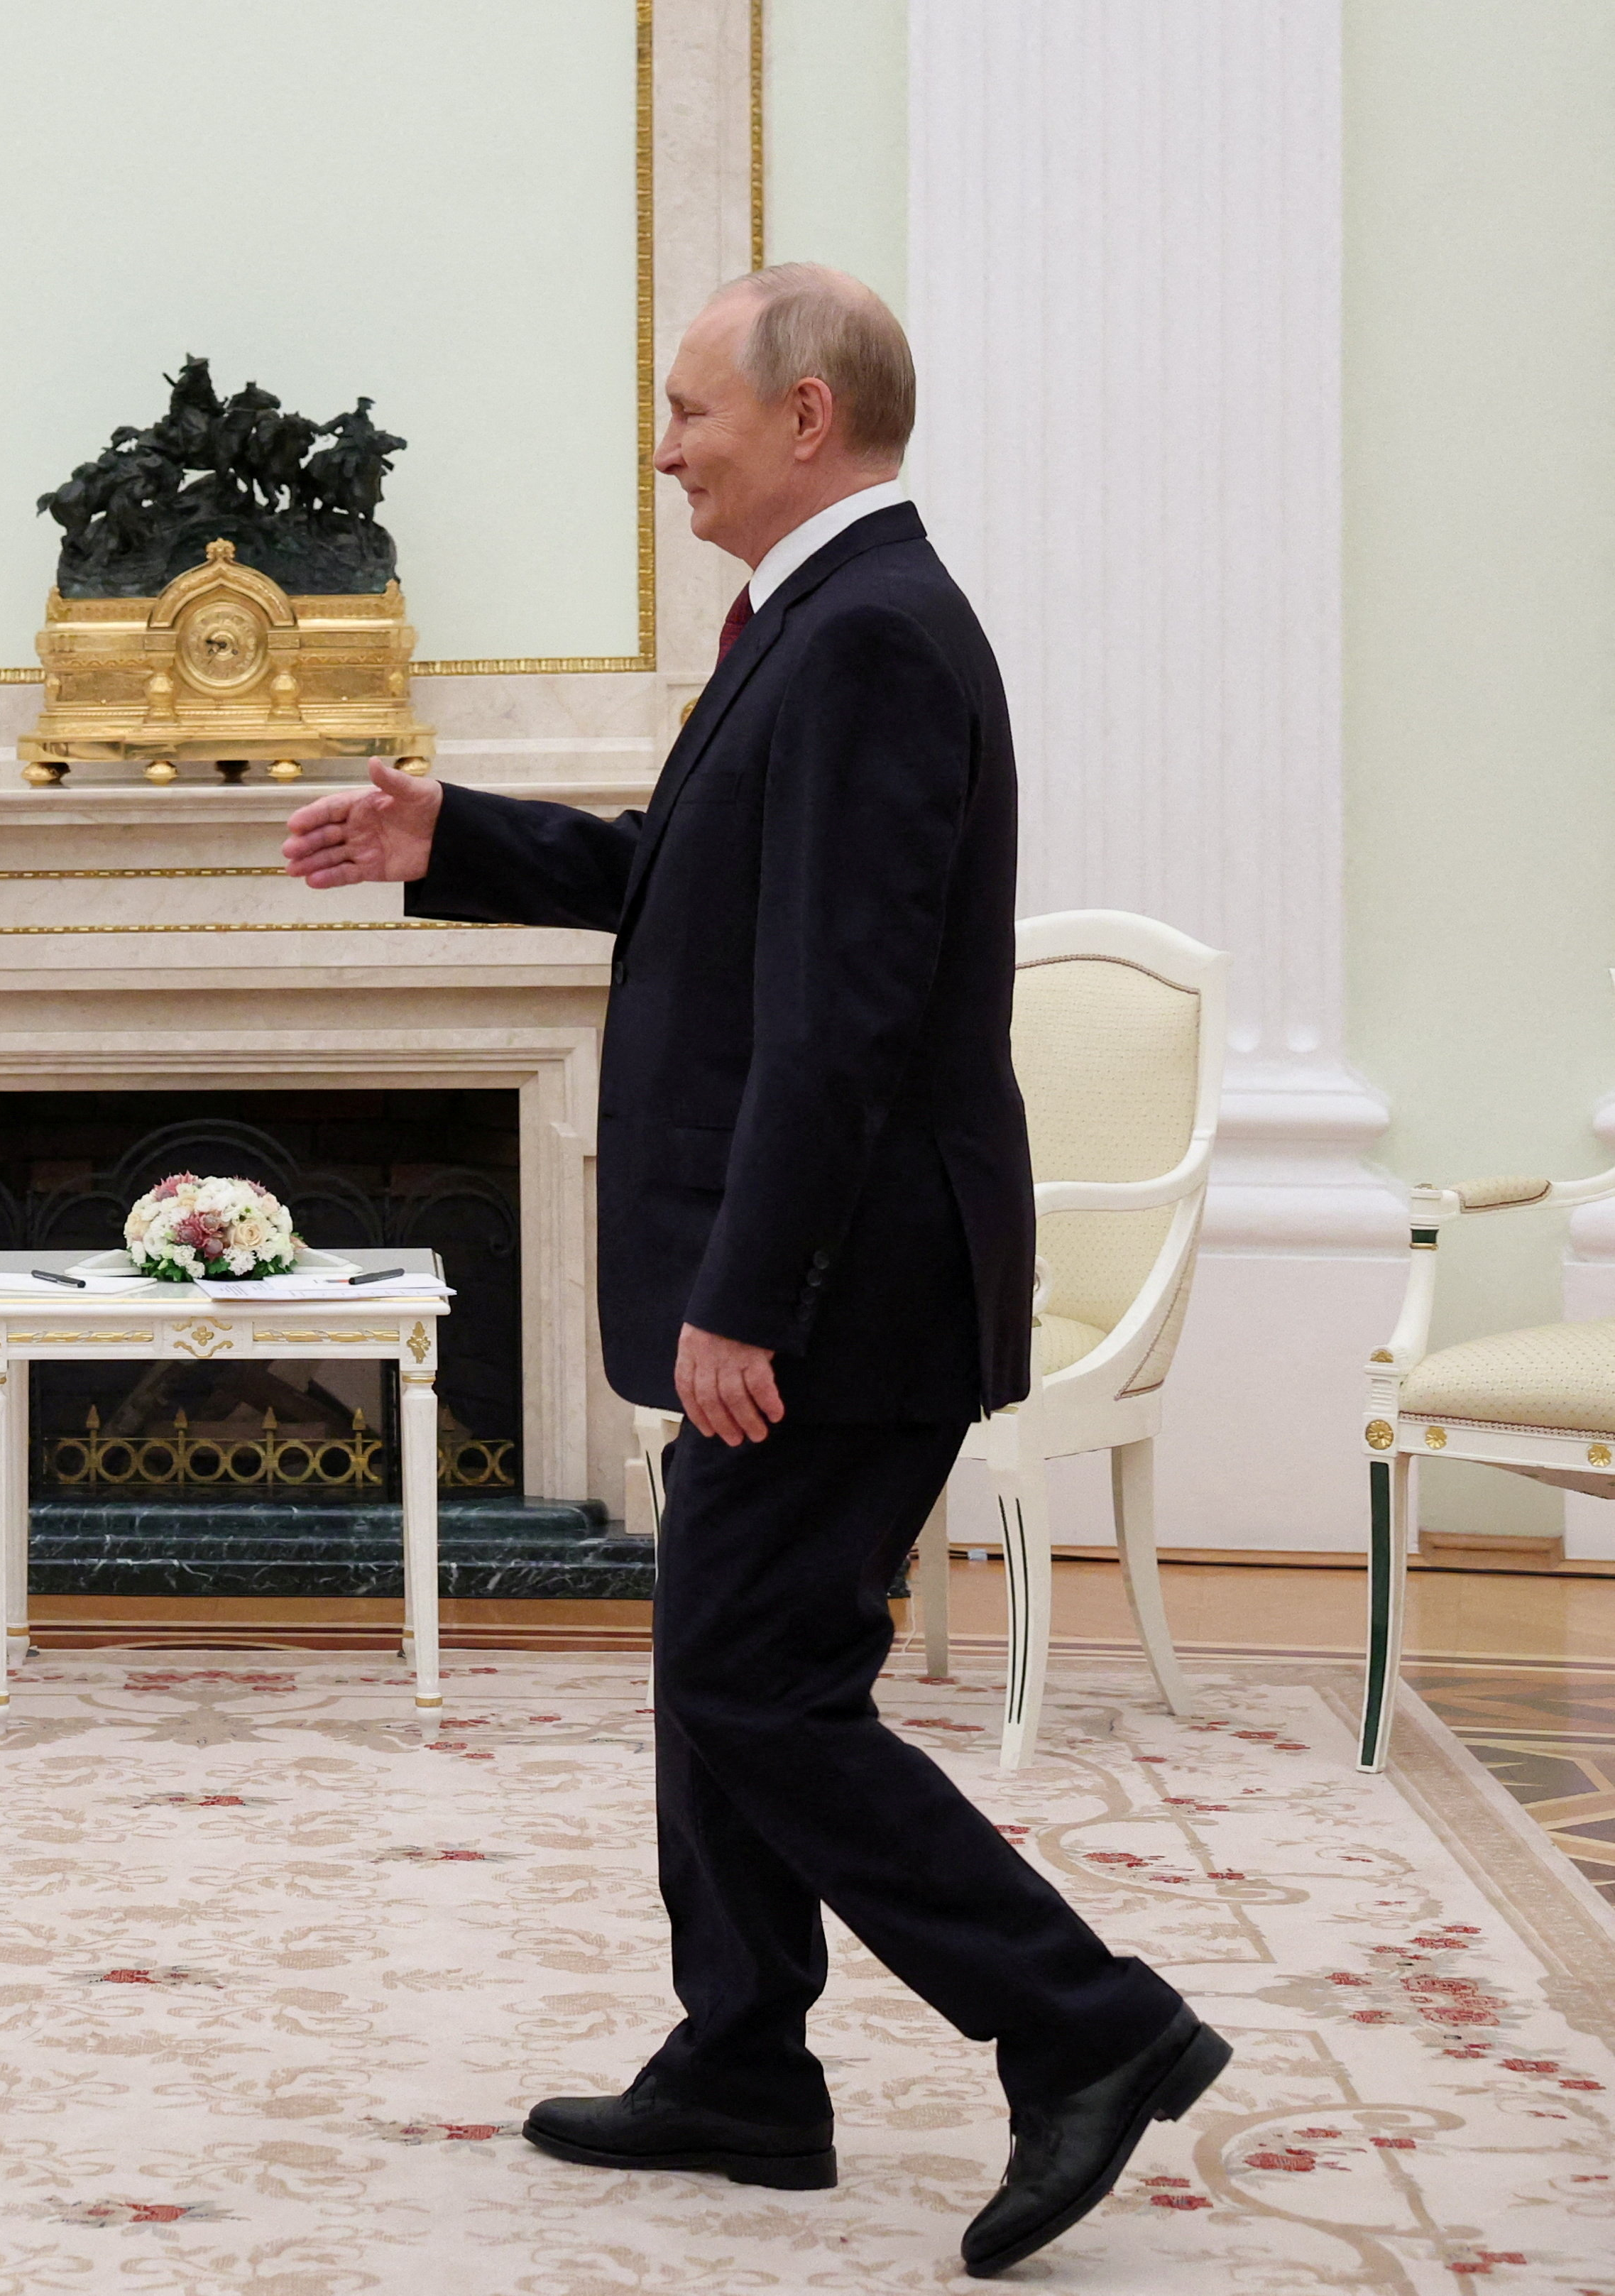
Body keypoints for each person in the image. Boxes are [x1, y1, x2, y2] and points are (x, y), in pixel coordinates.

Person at [280, 267, 1228, 2278]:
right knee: (719, 1657)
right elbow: (682, 883)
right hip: (821, 1267)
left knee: (750, 1675)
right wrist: (448, 833)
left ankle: (1085, 2021)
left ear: (802, 416)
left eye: (684, 407)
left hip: (842, 1286)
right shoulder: (817, 624)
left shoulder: (868, 633)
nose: (660, 445)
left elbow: (840, 1022)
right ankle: (737, 2061)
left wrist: (749, 1292)